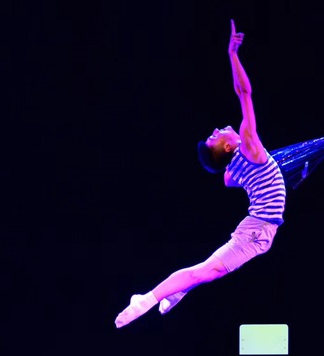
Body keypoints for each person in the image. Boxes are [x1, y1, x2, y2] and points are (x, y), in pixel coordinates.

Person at [115, 19, 286, 329]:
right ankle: (146, 299)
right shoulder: (249, 145)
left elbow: (227, 178)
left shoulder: (234, 167)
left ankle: (176, 292)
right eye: (215, 137)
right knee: (205, 271)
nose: (217, 129)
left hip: (259, 229)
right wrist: (232, 54)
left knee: (208, 272)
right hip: (258, 230)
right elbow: (244, 92)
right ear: (228, 147)